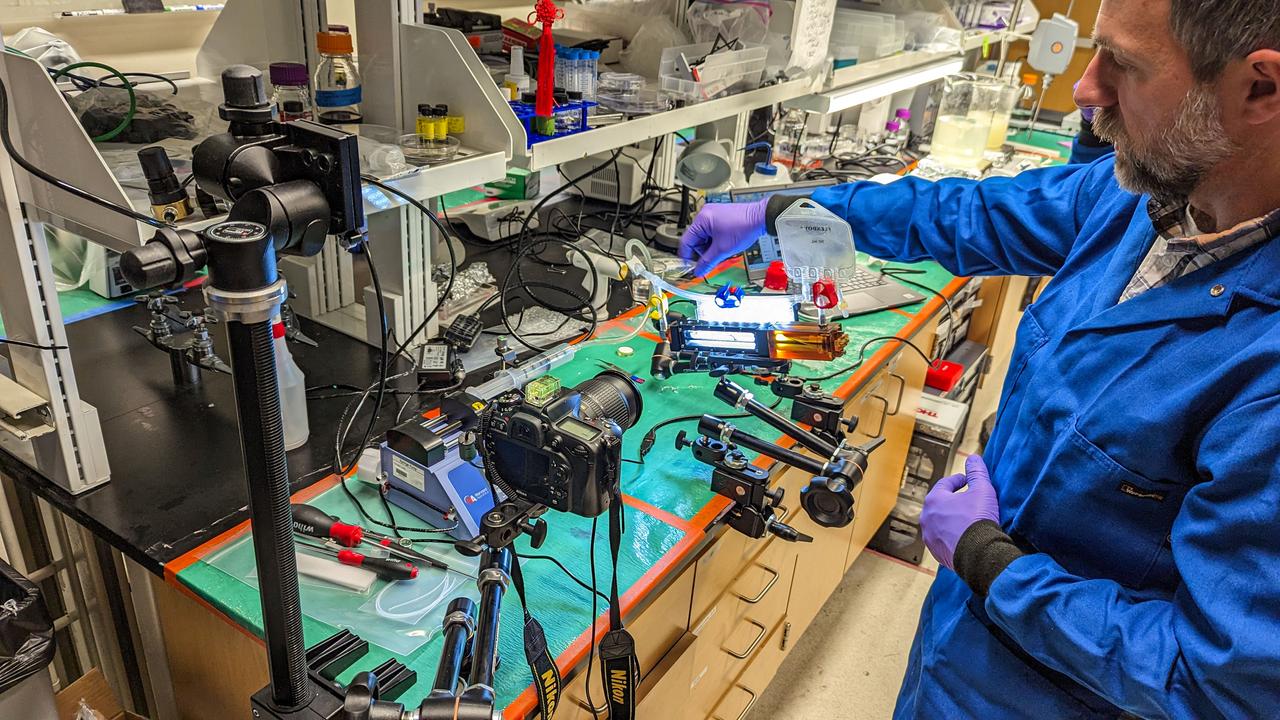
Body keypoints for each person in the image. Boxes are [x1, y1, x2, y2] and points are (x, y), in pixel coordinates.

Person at [677, 0, 1280, 717]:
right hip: (957, 650)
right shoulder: (1147, 199)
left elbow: (1220, 685)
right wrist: (785, 207)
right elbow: (966, 213)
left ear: (1260, 88)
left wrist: (991, 563)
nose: (1086, 88)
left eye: (1125, 63)